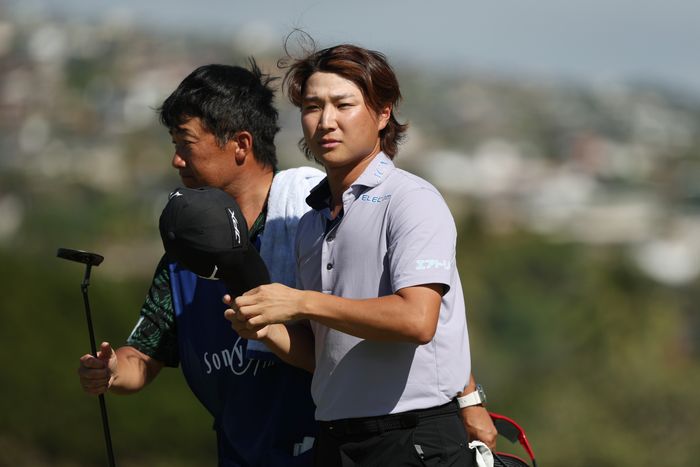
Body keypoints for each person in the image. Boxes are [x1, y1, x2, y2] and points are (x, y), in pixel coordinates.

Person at [225, 44, 496, 466]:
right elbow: (325, 355)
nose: (325, 121)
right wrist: (265, 327)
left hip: (415, 437)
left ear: (383, 113)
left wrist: (300, 301)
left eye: (343, 104)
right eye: (312, 106)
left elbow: (416, 320)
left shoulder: (411, 200)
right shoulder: (311, 223)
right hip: (337, 440)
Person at [77, 61, 324, 466]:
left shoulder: (313, 223)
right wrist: (110, 372)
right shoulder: (182, 256)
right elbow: (143, 357)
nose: (176, 161)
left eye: (185, 144)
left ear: (240, 145)